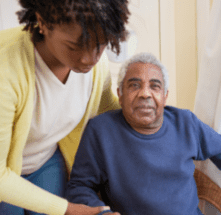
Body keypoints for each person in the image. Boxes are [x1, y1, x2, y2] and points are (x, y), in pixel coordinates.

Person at [66, 52, 221, 215]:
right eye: (134, 85)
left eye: (154, 86)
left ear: (165, 97)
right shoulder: (101, 130)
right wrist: (102, 213)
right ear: (120, 94)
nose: (145, 93)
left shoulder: (185, 123)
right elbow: (78, 187)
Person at [0, 0, 130, 214]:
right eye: (74, 46)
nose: (90, 59)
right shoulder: (6, 70)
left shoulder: (98, 68)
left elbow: (111, 113)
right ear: (42, 22)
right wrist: (67, 209)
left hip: (45, 161)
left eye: (100, 45)